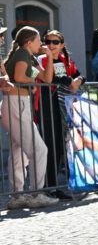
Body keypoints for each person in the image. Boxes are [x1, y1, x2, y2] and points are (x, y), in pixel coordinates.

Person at [2, 26, 57, 208]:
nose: (41, 43)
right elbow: (18, 76)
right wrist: (33, 82)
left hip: (17, 103)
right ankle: (35, 193)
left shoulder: (28, 56)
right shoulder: (22, 55)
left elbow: (47, 79)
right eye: (38, 40)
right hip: (16, 103)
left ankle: (18, 196)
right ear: (28, 42)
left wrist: (48, 57)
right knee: (39, 150)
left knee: (18, 151)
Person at [36, 30, 85, 195]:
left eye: (55, 42)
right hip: (48, 104)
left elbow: (79, 75)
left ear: (62, 45)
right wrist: (69, 81)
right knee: (50, 145)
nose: (51, 45)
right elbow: (47, 79)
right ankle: (48, 187)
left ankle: (55, 186)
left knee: (62, 146)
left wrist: (77, 81)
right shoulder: (41, 59)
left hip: (64, 107)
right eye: (47, 41)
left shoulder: (66, 60)